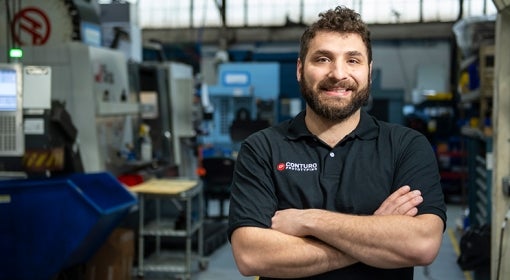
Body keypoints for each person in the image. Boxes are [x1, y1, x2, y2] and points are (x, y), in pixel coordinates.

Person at [227, 5, 447, 280]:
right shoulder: (262, 149)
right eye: (322, 59)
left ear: (368, 71)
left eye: (352, 60)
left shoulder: (406, 147)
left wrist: (309, 220)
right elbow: (251, 255)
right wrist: (376, 233)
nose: (338, 73)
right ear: (299, 69)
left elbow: (421, 244)